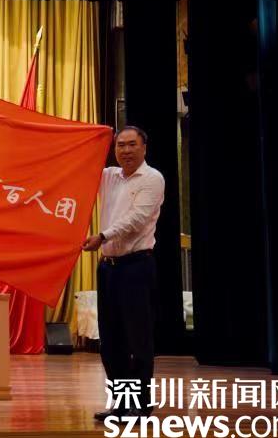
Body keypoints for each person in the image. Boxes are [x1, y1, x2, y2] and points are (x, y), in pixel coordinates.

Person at [82, 126, 165, 421]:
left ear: (144, 147)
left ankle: (140, 406)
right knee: (111, 341)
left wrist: (103, 236)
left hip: (136, 267)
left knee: (138, 339)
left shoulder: (152, 178)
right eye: (120, 145)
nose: (126, 151)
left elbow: (136, 219)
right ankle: (120, 404)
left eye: (132, 145)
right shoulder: (108, 176)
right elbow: (77, 173)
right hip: (108, 268)